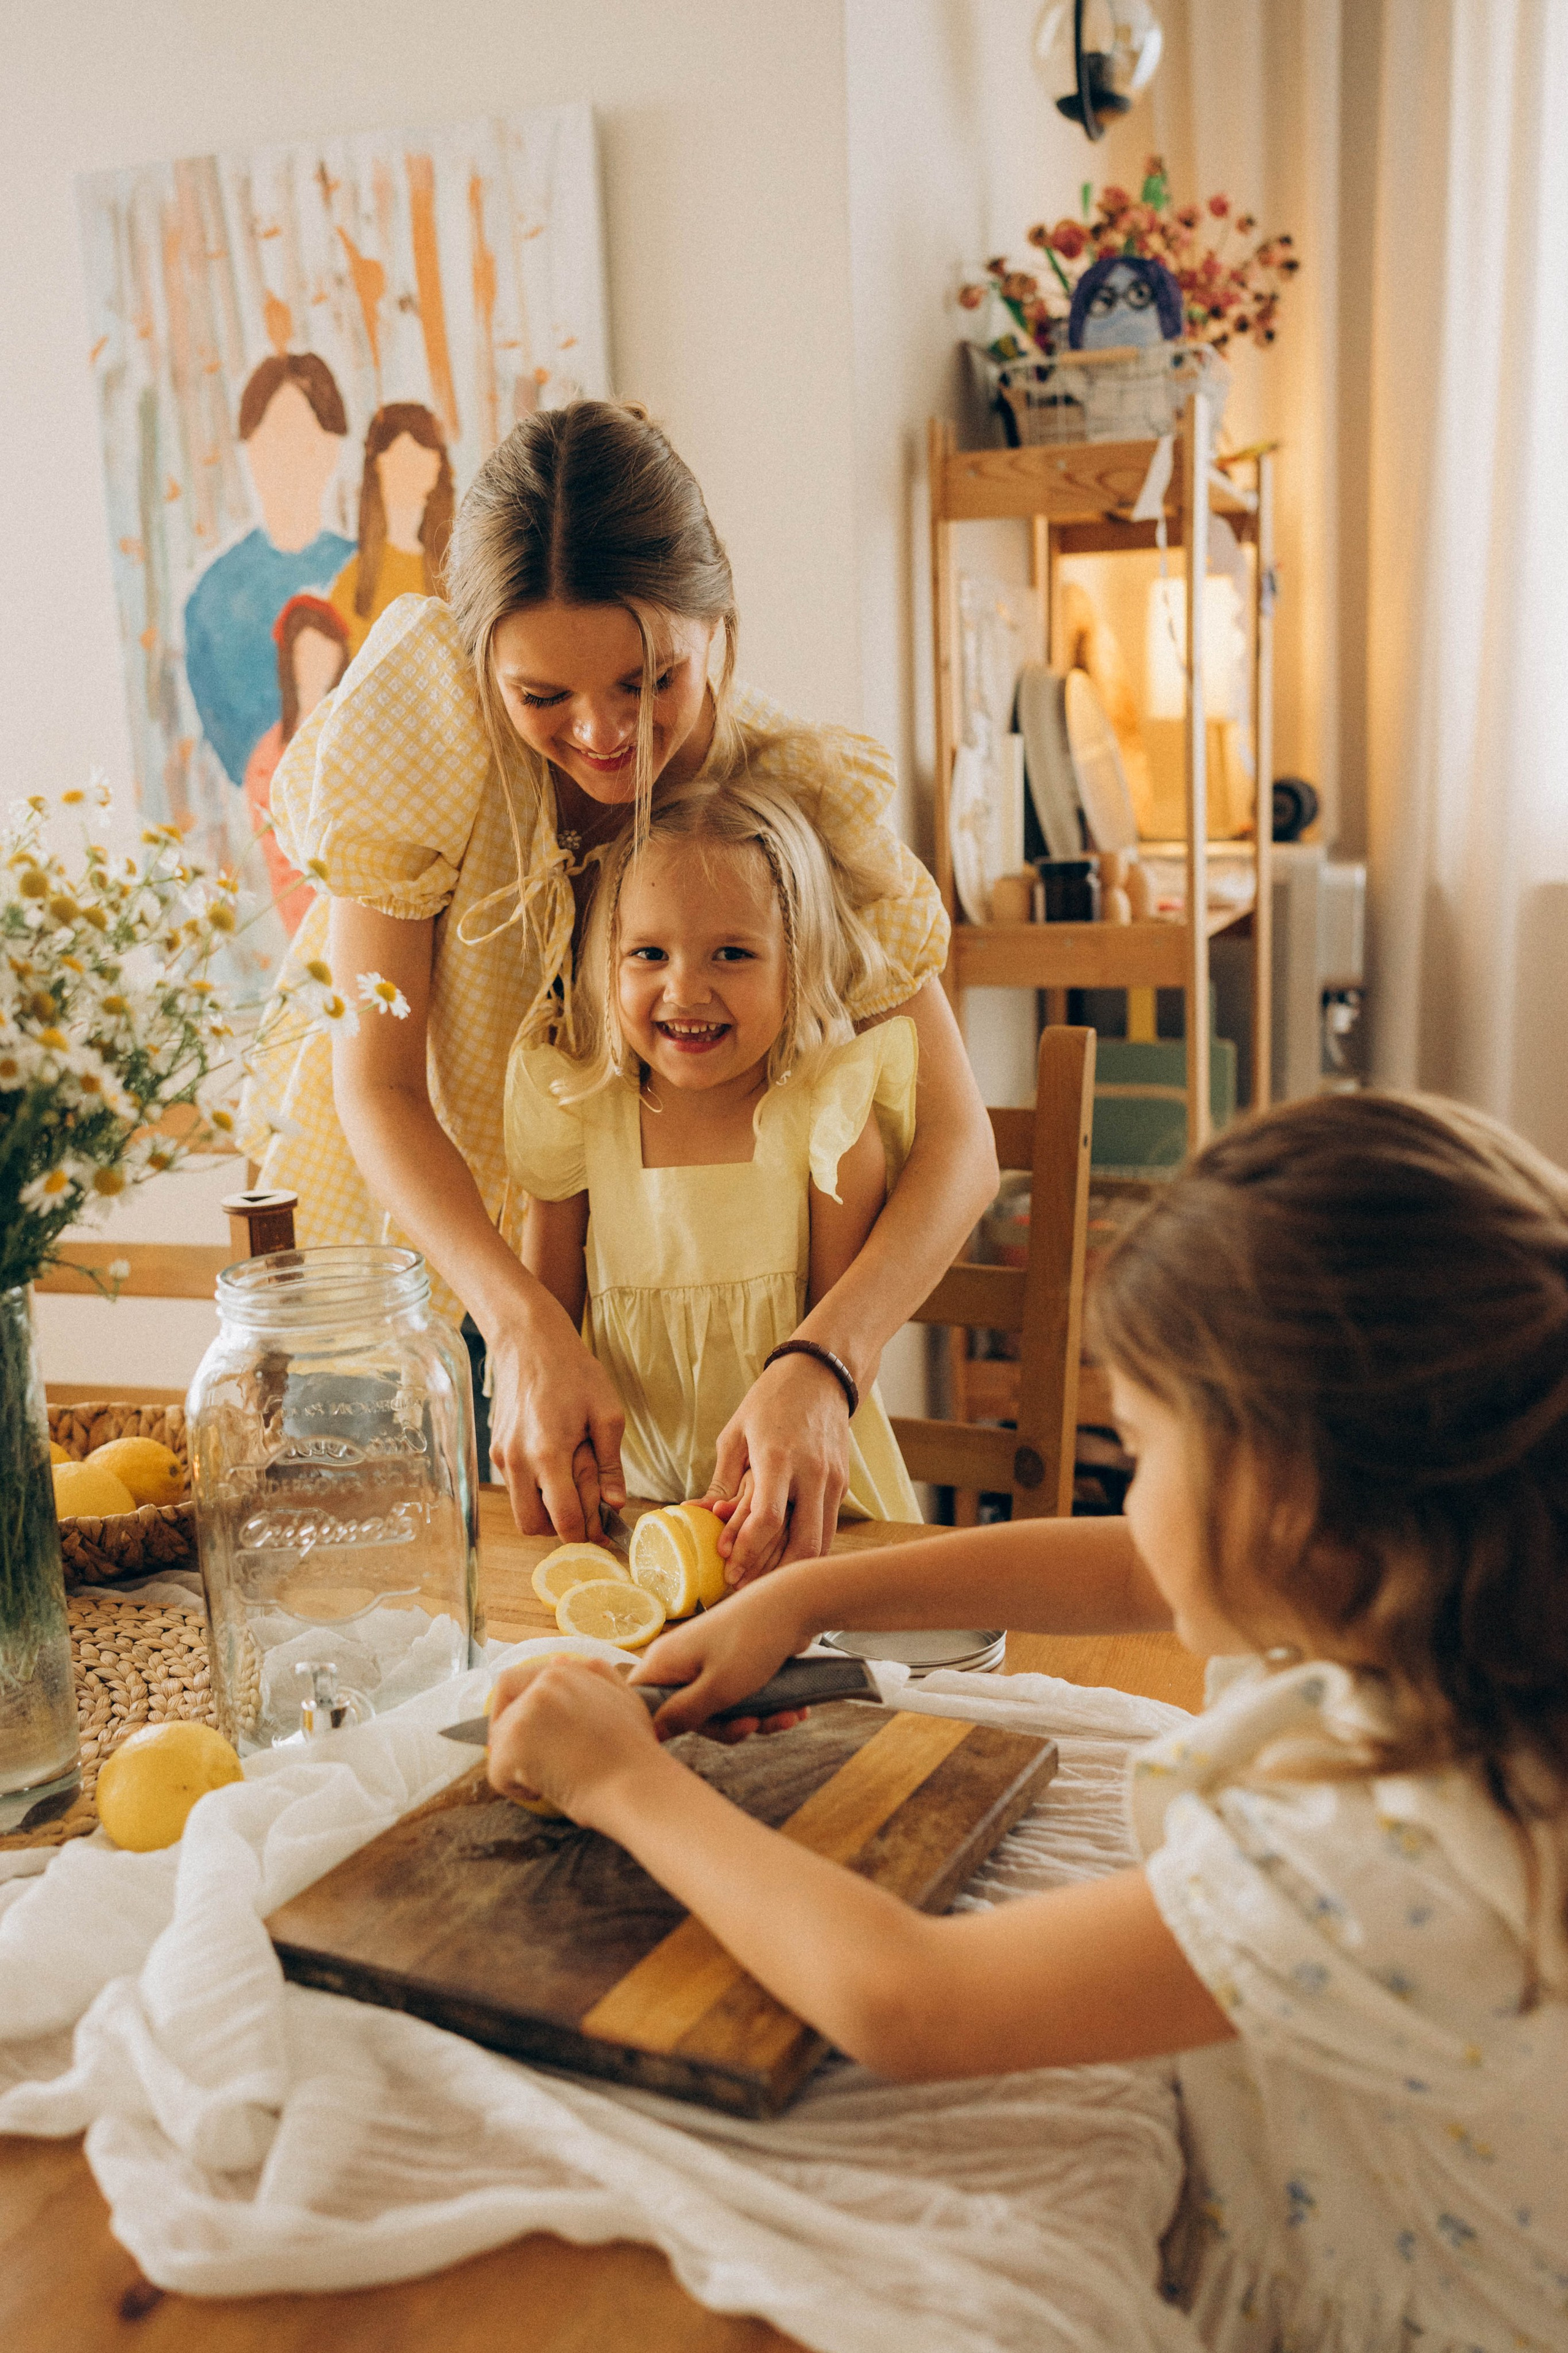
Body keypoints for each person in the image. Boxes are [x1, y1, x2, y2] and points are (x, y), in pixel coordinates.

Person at [486, 1091, 1568, 2352]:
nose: (1131, 1495)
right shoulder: (1429, 1594)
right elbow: (1136, 1566)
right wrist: (805, 1598)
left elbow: (915, 2001)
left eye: (1140, 1453)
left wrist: (620, 1782)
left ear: (1288, 1500)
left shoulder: (1396, 1848)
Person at [242, 400, 998, 1579]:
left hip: (681, 1357)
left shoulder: (783, 807)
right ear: (480, 659)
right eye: (541, 697)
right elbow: (378, 1086)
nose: (602, 732)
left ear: (718, 627)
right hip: (408, 1283)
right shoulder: (430, 726)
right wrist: (520, 1326)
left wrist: (825, 1361)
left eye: (651, 680)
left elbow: (961, 1144)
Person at [507, 768, 921, 1555]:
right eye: (648, 953)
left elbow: (844, 1355)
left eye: (731, 953)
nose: (685, 989)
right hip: (629, 1524)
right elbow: (546, 1351)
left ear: (797, 963)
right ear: (607, 962)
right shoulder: (575, 1114)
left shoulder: (830, 1121)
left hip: (805, 1517)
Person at [184, 354, 352, 786]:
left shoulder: (362, 572)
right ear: (250, 450)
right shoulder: (212, 597)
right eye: (274, 438)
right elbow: (229, 747)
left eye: (304, 439)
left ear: (332, 450)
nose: (288, 458)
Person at [242, 594, 351, 939]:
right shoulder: (267, 758)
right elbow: (277, 856)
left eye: (324, 652)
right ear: (290, 661)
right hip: (305, 910)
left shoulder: (353, 732)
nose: (317, 667)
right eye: (307, 654)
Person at [329, 401, 454, 660]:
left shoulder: (458, 576)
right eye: (401, 459)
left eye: (421, 458)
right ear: (377, 465)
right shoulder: (350, 584)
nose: (410, 472)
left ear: (437, 467)